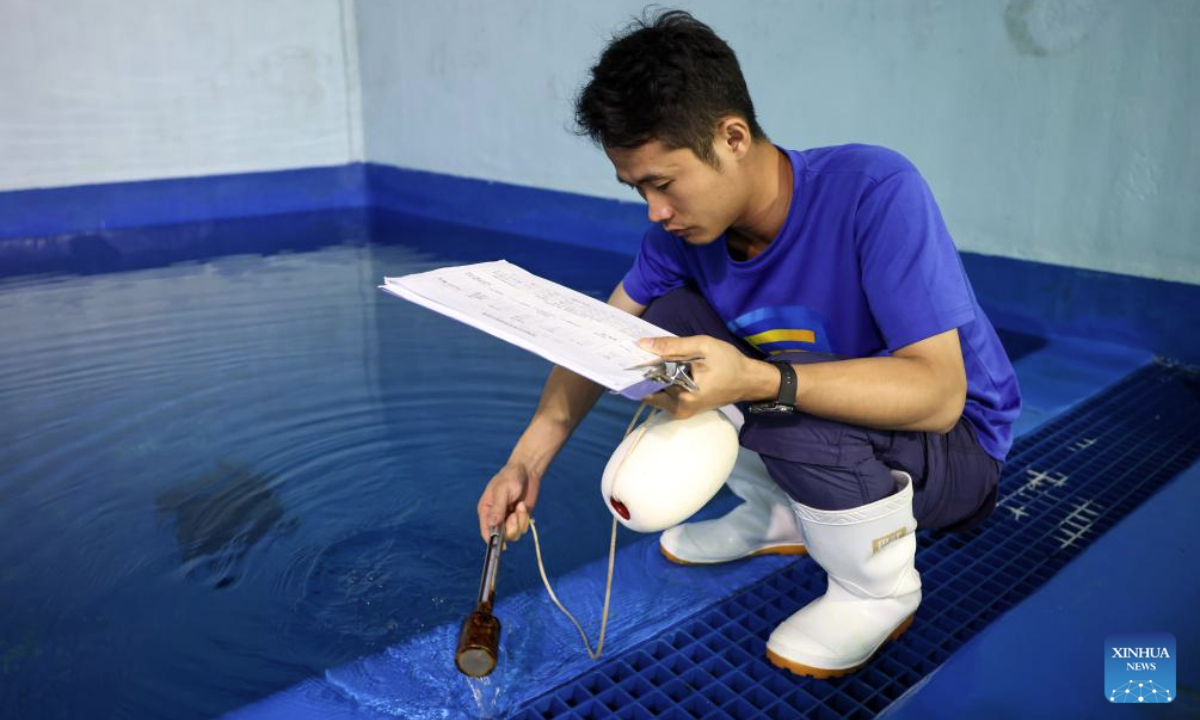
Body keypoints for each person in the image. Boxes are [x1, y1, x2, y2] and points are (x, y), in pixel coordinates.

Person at [476, 9, 1021, 679]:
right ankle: (778, 515)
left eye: (663, 183)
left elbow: (940, 397)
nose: (654, 211)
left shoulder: (876, 192)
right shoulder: (677, 241)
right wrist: (526, 462)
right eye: (637, 189)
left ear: (731, 137)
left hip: (959, 454)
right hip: (826, 423)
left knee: (773, 387)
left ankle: (879, 588)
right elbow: (601, 339)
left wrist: (761, 382)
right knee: (661, 329)